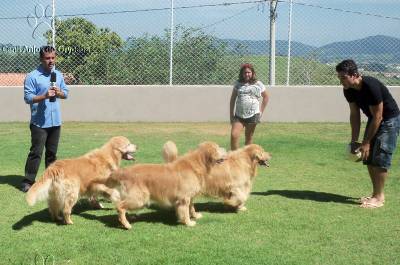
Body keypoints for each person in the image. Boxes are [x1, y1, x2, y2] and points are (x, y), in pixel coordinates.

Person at [336, 59, 400, 208]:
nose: (341, 81)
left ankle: (379, 198)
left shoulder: (370, 86)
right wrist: (354, 141)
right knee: (369, 158)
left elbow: (379, 116)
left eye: (343, 77)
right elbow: (354, 114)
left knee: (380, 157)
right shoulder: (348, 89)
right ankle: (375, 194)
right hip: (374, 119)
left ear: (355, 75)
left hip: (389, 119)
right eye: (339, 78)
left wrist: (366, 142)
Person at [21, 45, 69, 192]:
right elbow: (28, 98)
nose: (51, 61)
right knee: (36, 153)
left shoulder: (58, 75)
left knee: (52, 154)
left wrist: (60, 93)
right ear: (41, 59)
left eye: (53, 58)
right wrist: (45, 96)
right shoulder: (32, 77)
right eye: (47, 58)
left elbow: (66, 93)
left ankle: (52, 181)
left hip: (56, 122)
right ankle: (28, 181)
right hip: (39, 123)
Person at [229, 63, 269, 150]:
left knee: (248, 139)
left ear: (252, 73)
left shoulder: (258, 84)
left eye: (249, 72)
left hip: (253, 115)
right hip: (239, 115)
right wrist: (231, 115)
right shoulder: (238, 84)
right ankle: (234, 158)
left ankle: (247, 161)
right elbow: (232, 99)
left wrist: (261, 112)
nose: (247, 74)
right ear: (242, 74)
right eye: (245, 73)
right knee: (234, 135)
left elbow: (266, 97)